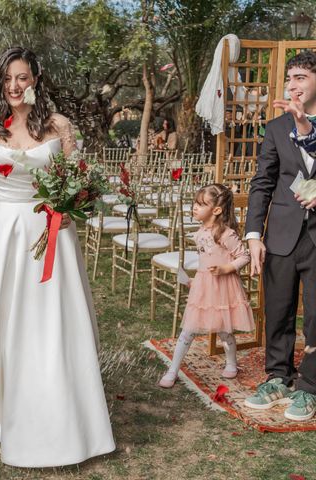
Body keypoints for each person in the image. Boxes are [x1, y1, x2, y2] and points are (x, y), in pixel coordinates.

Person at [0, 47, 115, 468]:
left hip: (47, 235)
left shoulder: (58, 126)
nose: (15, 86)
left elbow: (78, 179)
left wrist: (70, 207)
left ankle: (53, 412)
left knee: (44, 325)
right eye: (8, 79)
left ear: (36, 80)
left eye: (23, 78)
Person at [244, 51, 316, 421]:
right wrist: (254, 234)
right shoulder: (274, 128)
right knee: (278, 309)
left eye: (301, 77)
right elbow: (263, 184)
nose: (292, 85)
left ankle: (309, 387)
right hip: (283, 234)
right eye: (290, 78)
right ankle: (277, 376)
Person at [159, 184, 254, 388]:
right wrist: (195, 281)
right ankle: (173, 369)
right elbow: (204, 261)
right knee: (188, 330)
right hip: (204, 287)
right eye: (195, 203)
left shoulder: (226, 234)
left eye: (201, 204)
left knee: (224, 330)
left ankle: (231, 363)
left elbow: (244, 256)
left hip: (223, 287)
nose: (194, 207)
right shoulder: (199, 233)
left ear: (216, 210)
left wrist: (226, 268)